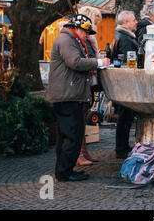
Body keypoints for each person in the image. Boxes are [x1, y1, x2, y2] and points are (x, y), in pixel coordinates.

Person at [46, 14, 110, 182]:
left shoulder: (69, 39)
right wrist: (98, 63)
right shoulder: (66, 40)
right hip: (68, 96)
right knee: (71, 135)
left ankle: (64, 170)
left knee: (67, 135)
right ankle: (65, 172)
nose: (87, 35)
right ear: (76, 28)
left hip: (69, 95)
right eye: (85, 31)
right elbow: (74, 62)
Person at [75, 6, 103, 166]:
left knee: (83, 119)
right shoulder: (85, 40)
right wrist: (98, 58)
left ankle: (83, 152)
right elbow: (87, 60)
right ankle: (80, 153)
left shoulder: (87, 39)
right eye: (96, 22)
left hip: (86, 84)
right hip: (83, 84)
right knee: (80, 119)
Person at [112, 10, 139, 158]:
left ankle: (122, 147)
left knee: (125, 116)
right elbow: (127, 63)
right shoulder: (126, 39)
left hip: (123, 83)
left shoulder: (121, 36)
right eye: (134, 20)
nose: (136, 22)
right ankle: (121, 149)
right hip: (126, 84)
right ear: (125, 23)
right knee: (125, 116)